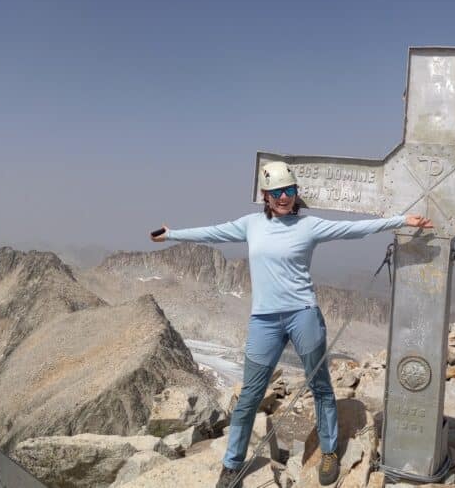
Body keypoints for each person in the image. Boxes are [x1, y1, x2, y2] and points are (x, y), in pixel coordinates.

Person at [151, 161, 432, 487]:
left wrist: (402, 221)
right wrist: (172, 234)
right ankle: (232, 464)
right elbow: (212, 232)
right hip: (264, 321)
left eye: (288, 190)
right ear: (265, 197)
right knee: (249, 398)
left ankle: (328, 450)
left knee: (321, 386)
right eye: (276, 192)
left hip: (303, 315)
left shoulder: (308, 225)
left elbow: (353, 229)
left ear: (296, 193)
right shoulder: (250, 224)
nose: (283, 197)